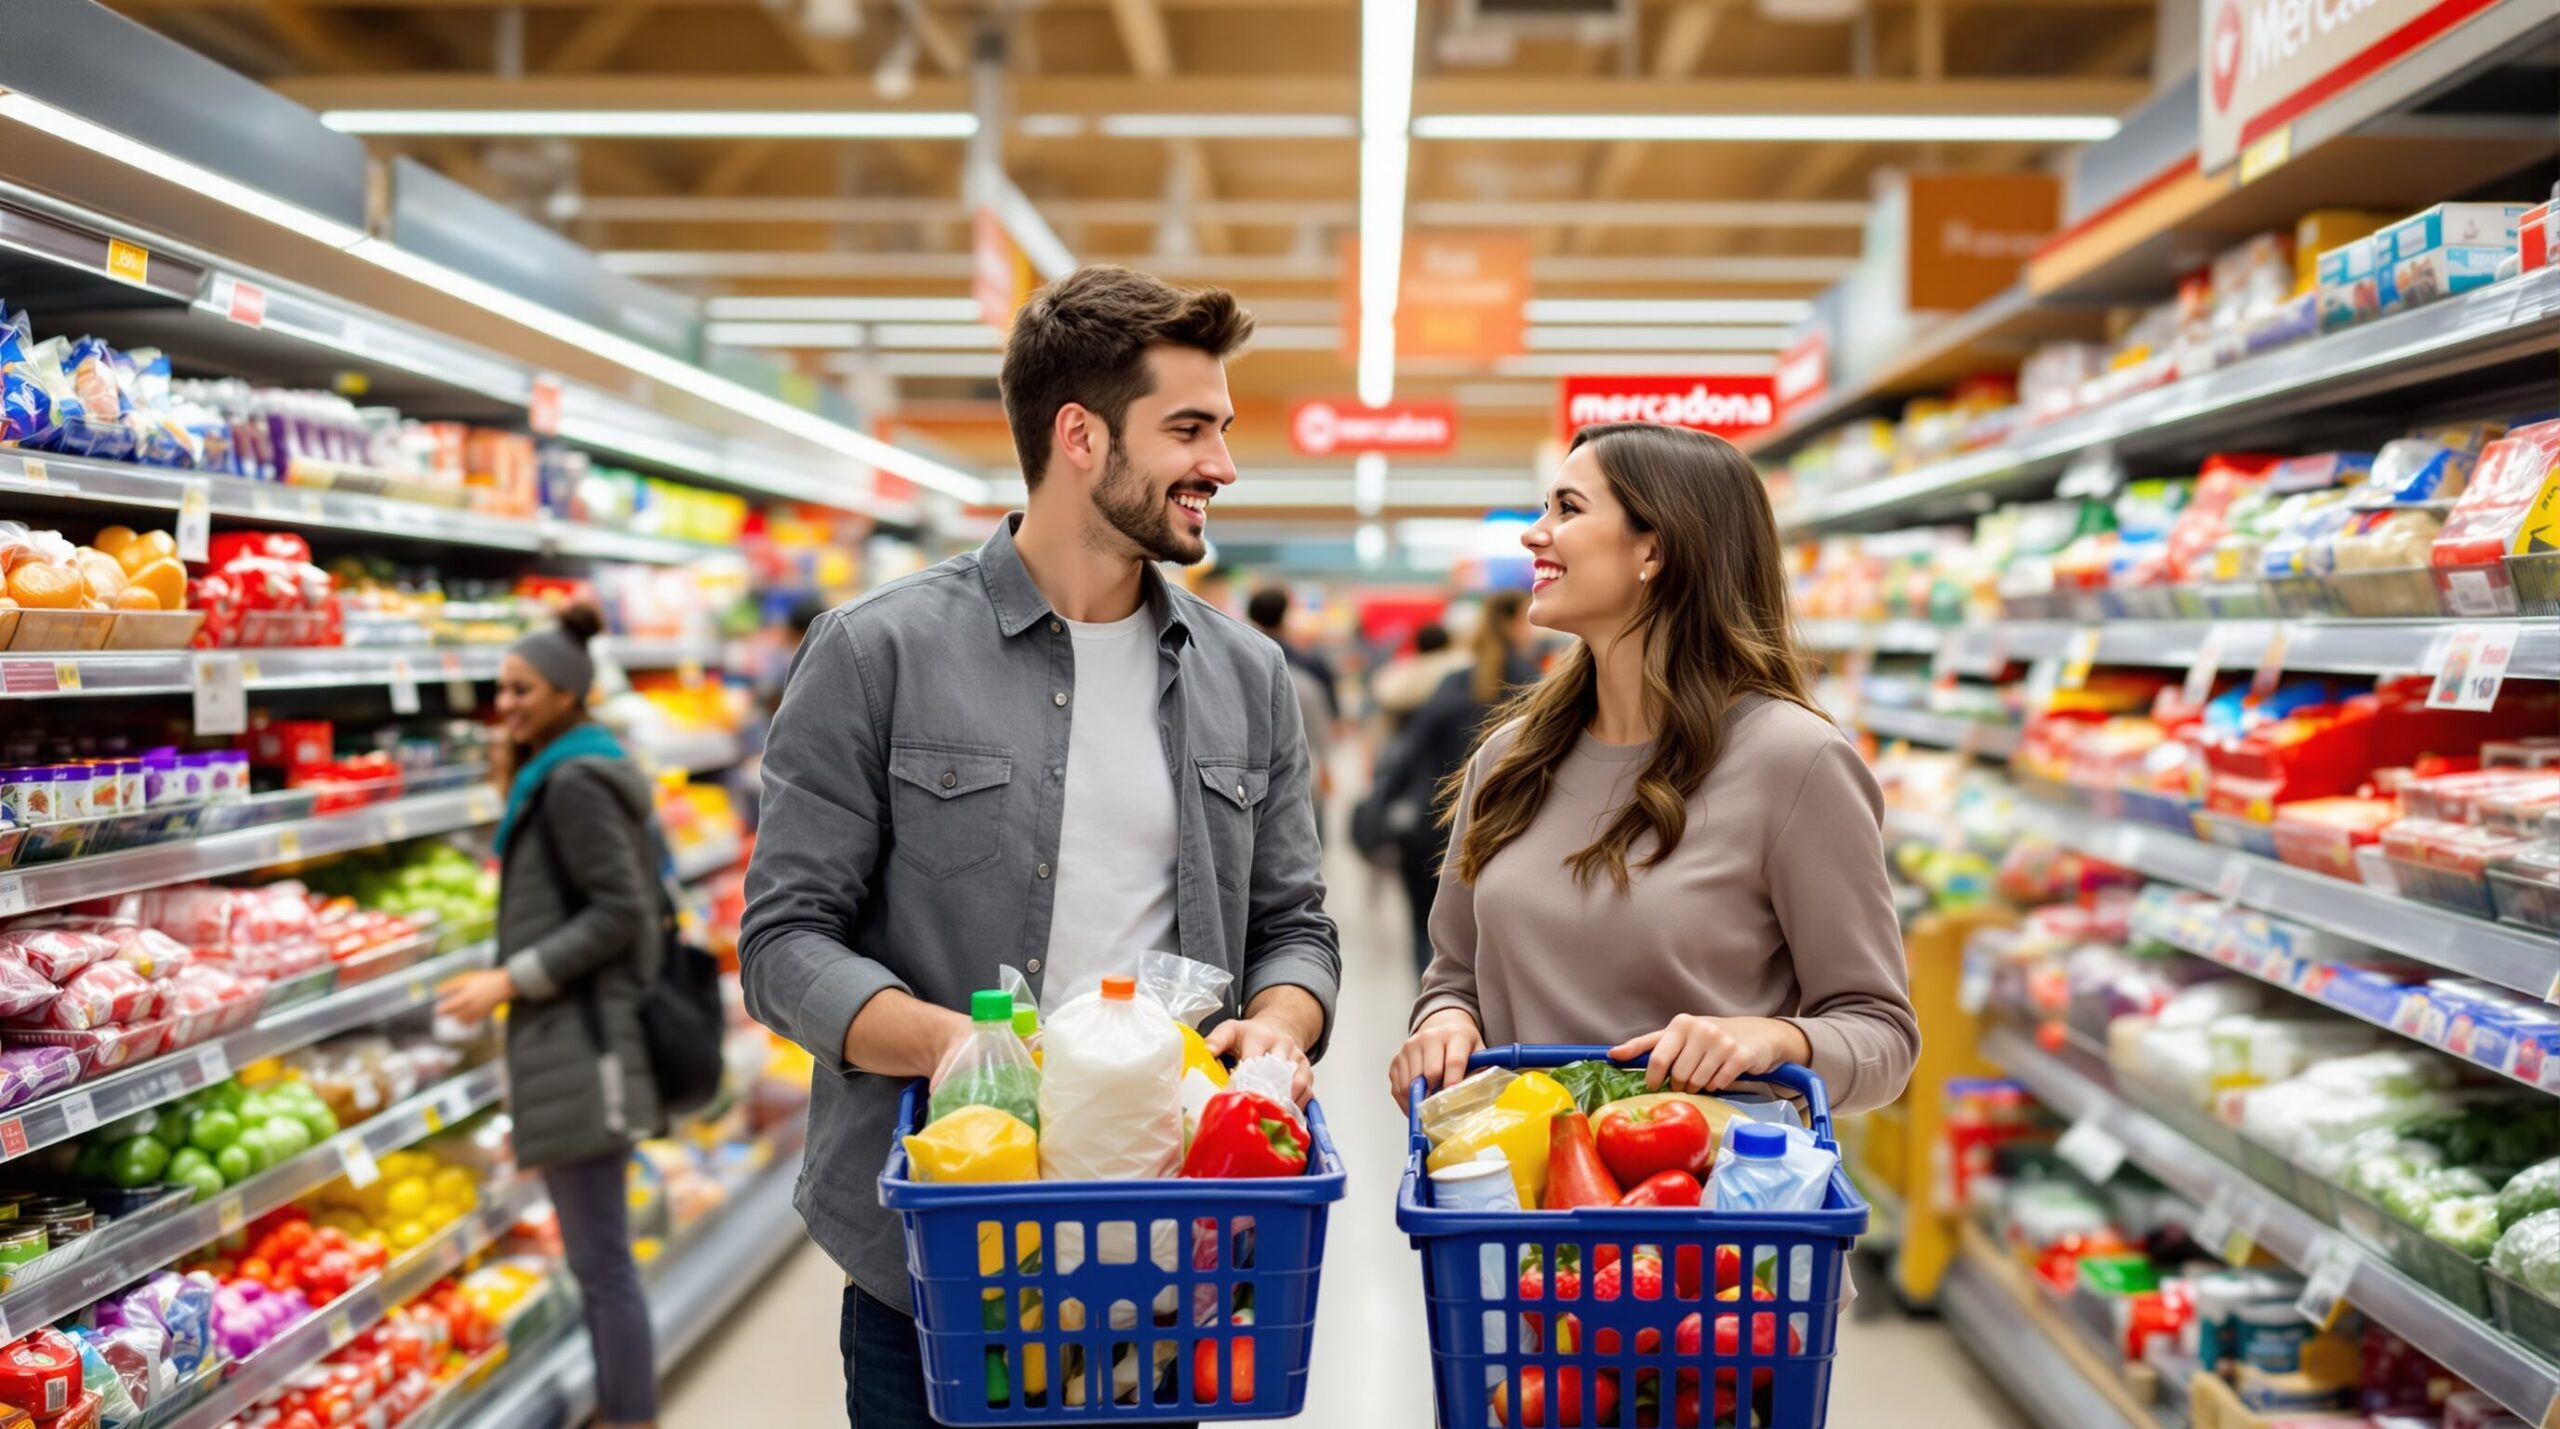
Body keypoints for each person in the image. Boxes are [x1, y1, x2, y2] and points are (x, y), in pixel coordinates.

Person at [736, 264, 1340, 1429]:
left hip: (1171, 1252)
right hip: (942, 1251)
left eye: (1221, 427)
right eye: (1189, 427)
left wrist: (1281, 1019)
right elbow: (783, 941)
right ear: (1078, 434)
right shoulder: (877, 654)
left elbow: (1294, 926)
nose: (1221, 462)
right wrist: (955, 1047)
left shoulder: (1247, 678)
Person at [1387, 423, 1919, 1121]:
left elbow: (1882, 1033)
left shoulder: (1795, 761)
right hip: (1511, 1202)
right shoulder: (1509, 759)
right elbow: (1454, 974)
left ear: (1655, 548)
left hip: (1699, 1210)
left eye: (1568, 509)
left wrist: (1776, 1037)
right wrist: (1444, 1025)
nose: (1534, 534)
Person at [436, 605, 663, 1429]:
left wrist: (508, 978)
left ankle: (630, 1416)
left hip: (585, 1041)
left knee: (602, 1261)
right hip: (572, 1036)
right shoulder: (563, 769)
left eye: (521, 687)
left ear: (568, 692)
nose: (506, 701)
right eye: (500, 687)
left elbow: (619, 911)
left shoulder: (572, 782)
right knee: (600, 1256)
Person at [1364, 590, 1539, 976]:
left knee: (1426, 933)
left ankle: (1433, 1018)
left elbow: (1405, 756)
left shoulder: (1453, 683)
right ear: (1513, 622)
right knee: (1491, 943)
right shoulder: (1536, 688)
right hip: (1505, 833)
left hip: (1430, 826)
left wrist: (1378, 816)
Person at [1247, 586, 1335, 825]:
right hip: (1302, 765)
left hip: (1247, 769)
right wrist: (1326, 765)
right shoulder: (1308, 663)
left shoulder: (1239, 656)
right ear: (1286, 615)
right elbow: (1327, 718)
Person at [1246, 584, 1341, 724]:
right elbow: (1332, 714)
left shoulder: (1244, 658)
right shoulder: (1310, 664)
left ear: (1252, 616)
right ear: (1285, 616)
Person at [1367, 622, 1464, 735]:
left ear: (1418, 645)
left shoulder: (1403, 670)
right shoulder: (1460, 663)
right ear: (1447, 642)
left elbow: (1384, 693)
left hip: (1411, 732)